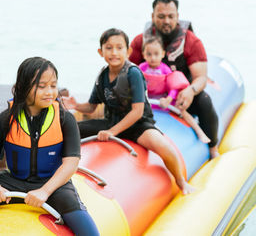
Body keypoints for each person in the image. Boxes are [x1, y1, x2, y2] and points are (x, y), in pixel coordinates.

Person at [0, 57, 99, 236]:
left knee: (88, 230)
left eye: (53, 85)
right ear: (24, 86)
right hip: (13, 181)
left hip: (52, 184)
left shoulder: (64, 119)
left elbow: (71, 163)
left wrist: (44, 191)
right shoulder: (7, 118)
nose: (49, 91)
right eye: (42, 86)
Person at [63, 28, 194, 195]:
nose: (114, 52)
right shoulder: (102, 75)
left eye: (119, 48)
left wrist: (112, 132)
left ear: (128, 51)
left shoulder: (133, 73)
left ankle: (181, 182)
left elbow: (137, 111)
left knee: (163, 146)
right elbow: (91, 107)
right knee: (70, 130)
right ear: (100, 52)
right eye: (109, 48)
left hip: (138, 126)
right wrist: (76, 105)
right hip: (111, 121)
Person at [129, 0, 220, 158]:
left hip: (180, 96)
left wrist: (191, 91)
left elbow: (201, 77)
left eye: (171, 16)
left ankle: (213, 147)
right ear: (152, 16)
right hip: (149, 98)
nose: (166, 21)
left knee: (204, 101)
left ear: (177, 17)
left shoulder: (191, 42)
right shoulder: (140, 41)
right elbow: (126, 72)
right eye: (161, 16)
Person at [139, 36, 210, 144]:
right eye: (149, 54)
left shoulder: (165, 70)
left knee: (183, 111)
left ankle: (200, 131)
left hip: (164, 100)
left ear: (162, 54)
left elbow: (174, 86)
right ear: (143, 54)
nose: (152, 58)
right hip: (147, 100)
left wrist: (168, 99)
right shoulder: (141, 68)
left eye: (156, 54)